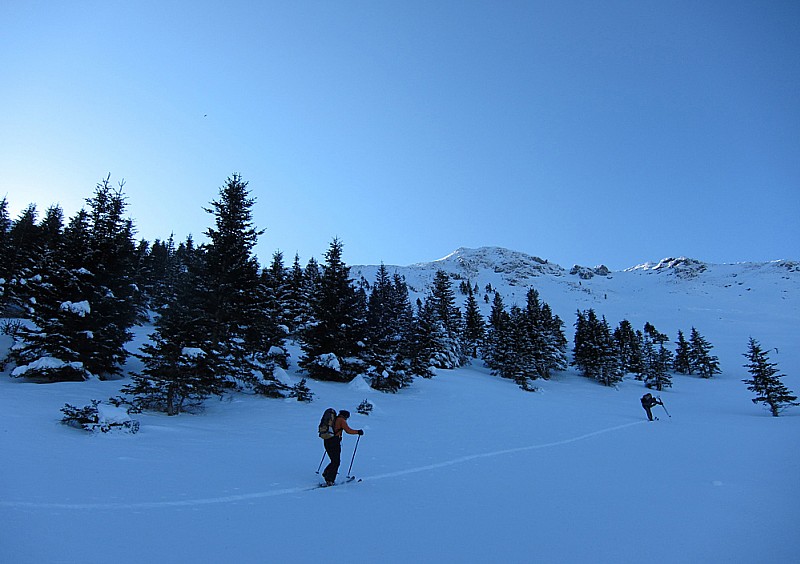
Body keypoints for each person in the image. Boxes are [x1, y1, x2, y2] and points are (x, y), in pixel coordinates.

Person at [322, 410, 364, 486]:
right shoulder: (341, 420)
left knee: (334, 460)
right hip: (334, 441)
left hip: (327, 440)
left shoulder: (334, 419)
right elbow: (348, 430)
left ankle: (327, 473)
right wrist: (358, 432)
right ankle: (329, 480)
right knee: (336, 461)